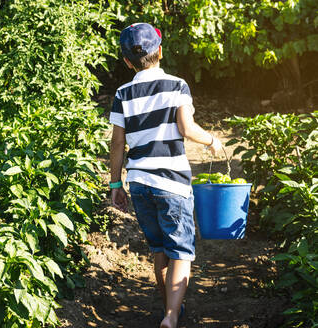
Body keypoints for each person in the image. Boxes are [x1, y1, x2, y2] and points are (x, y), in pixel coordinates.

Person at [108, 23, 222, 328]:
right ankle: (172, 315)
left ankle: (169, 308)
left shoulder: (122, 93)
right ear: (160, 51)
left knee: (159, 249)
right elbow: (187, 129)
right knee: (181, 250)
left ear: (127, 61)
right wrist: (212, 140)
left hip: (140, 183)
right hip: (171, 182)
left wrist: (116, 183)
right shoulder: (176, 85)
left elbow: (118, 142)